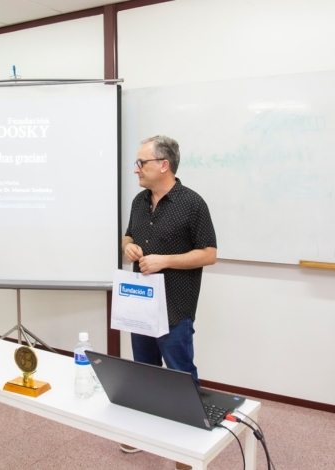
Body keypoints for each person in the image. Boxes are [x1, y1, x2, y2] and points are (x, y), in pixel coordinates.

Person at [120, 136, 217, 469]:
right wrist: (128, 246)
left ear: (164, 165)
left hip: (175, 306)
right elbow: (129, 235)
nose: (136, 169)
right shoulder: (139, 201)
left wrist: (165, 261)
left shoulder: (192, 204)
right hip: (140, 304)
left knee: (180, 375)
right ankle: (145, 432)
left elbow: (209, 254)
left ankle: (190, 444)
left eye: (141, 163)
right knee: (145, 372)